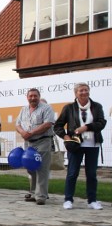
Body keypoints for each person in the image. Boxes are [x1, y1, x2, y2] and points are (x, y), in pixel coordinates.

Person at [54, 82, 107, 210]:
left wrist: (86, 127)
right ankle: (68, 199)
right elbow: (58, 126)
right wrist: (66, 138)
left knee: (91, 174)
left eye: (86, 90)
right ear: (76, 93)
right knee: (72, 173)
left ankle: (92, 200)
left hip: (93, 145)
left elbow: (101, 123)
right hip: (75, 145)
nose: (84, 92)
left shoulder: (97, 106)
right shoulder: (69, 108)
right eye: (81, 90)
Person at [15, 89, 55, 205]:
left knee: (42, 168)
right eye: (30, 96)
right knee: (30, 168)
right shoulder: (24, 109)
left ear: (39, 96)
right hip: (29, 142)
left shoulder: (46, 108)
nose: (33, 98)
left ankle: (41, 196)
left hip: (43, 141)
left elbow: (47, 124)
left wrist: (31, 133)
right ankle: (33, 193)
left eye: (35, 96)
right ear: (27, 97)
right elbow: (17, 124)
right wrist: (23, 132)